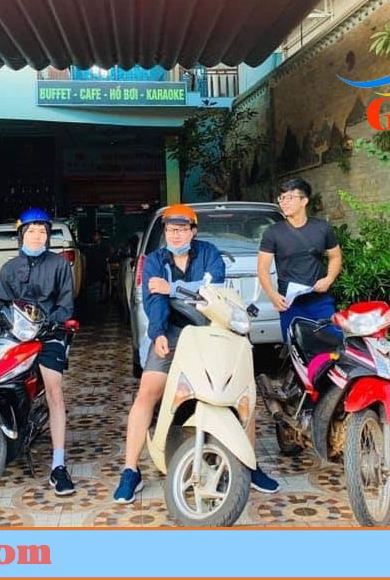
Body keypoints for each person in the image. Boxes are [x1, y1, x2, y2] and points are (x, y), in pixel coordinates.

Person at [114, 204, 279, 504]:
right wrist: (158, 333)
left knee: (241, 392)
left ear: (193, 231)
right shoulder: (155, 260)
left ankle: (251, 465)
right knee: (147, 392)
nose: (175, 235)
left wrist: (171, 287)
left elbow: (211, 290)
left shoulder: (209, 254)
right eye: (170, 230)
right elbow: (154, 301)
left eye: (181, 229)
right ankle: (130, 470)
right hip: (173, 332)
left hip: (213, 329)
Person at [0, 207, 76, 496]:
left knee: (54, 391)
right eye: (32, 231)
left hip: (49, 334)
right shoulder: (8, 268)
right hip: (16, 337)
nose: (37, 236)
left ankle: (58, 465)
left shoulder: (60, 264)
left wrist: (51, 323)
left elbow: (66, 305)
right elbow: (0, 305)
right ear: (21, 235)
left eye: (42, 231)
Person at [257, 177, 342, 340]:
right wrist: (273, 295)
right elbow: (262, 268)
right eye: (281, 198)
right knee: (297, 347)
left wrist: (329, 279)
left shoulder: (322, 228)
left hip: (321, 301)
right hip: (289, 304)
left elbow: (335, 256)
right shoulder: (273, 233)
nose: (284, 202)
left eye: (289, 198)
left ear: (304, 201)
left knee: (333, 344)